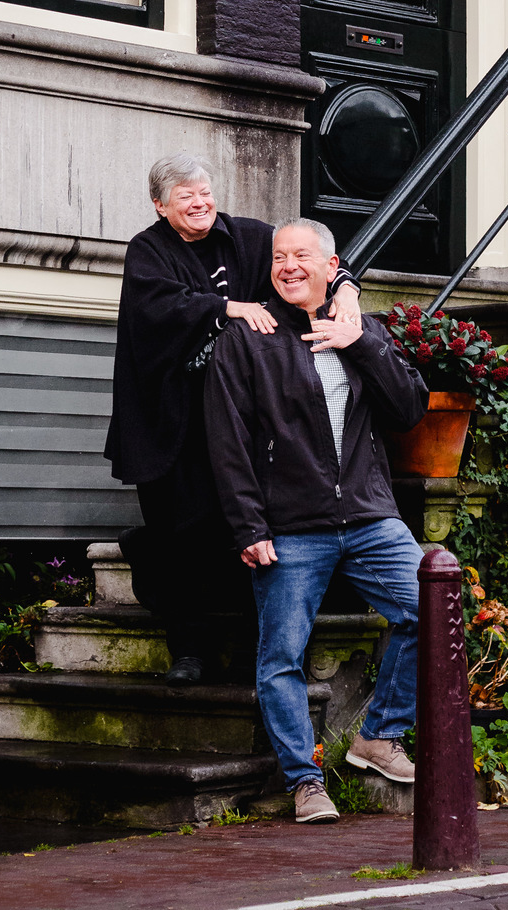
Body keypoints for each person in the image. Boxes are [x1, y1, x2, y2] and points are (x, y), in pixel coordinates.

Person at [104, 156, 362, 684]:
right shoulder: (147, 251)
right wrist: (229, 307)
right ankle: (190, 652)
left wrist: (348, 290)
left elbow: (309, 258)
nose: (200, 203)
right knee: (178, 540)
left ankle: (252, 649)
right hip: (171, 424)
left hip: (245, 418)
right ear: (160, 205)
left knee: (249, 534)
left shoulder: (250, 237)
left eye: (204, 191)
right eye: (185, 197)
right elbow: (158, 312)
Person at [204, 217, 428, 824]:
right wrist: (249, 526)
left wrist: (360, 341)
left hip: (368, 515)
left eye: (303, 255)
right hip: (290, 525)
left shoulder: (361, 328)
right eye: (280, 256)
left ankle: (379, 736)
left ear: (333, 270)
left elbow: (410, 408)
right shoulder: (247, 339)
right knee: (282, 655)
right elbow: (228, 442)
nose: (288, 266)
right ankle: (306, 781)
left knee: (433, 609)